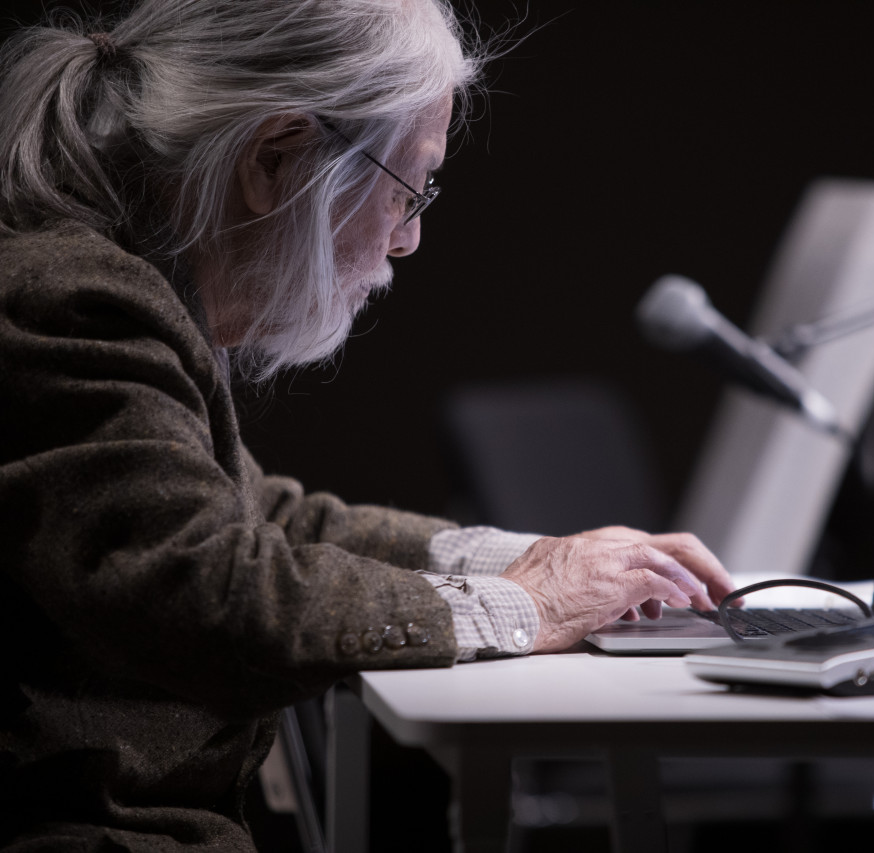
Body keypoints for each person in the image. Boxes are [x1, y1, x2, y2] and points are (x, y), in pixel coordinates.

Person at [0, 1, 734, 849]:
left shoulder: (113, 277)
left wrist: (526, 563)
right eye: (405, 188)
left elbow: (253, 516)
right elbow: (206, 587)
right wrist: (523, 605)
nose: (410, 237)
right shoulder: (71, 299)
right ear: (276, 160)